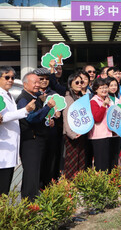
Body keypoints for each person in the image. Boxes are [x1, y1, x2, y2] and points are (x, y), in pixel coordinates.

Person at [16, 72, 55, 200]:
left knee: (37, 171)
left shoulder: (35, 96)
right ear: (25, 84)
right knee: (31, 172)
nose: (38, 85)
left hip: (38, 139)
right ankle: (29, 201)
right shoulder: (23, 99)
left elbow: (39, 116)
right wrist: (47, 107)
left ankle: (34, 199)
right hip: (30, 141)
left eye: (39, 82)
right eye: (35, 82)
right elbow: (31, 118)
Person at [0, 67, 35, 195]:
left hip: (10, 146)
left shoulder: (8, 94)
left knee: (5, 186)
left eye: (12, 78)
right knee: (2, 186)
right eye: (7, 77)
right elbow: (3, 117)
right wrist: (25, 110)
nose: (10, 80)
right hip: (3, 147)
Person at [34, 68, 62, 185]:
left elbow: (59, 111)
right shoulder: (32, 94)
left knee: (51, 161)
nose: (44, 81)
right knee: (38, 163)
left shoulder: (54, 94)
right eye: (41, 79)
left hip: (52, 134)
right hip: (37, 135)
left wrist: (57, 115)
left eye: (46, 79)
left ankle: (49, 186)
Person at [61, 72, 89, 178]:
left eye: (81, 82)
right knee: (71, 161)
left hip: (82, 133)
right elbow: (66, 118)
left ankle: (79, 183)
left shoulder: (82, 96)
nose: (79, 84)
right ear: (70, 83)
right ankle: (70, 185)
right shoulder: (68, 98)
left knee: (81, 160)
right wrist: (72, 134)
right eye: (76, 82)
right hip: (72, 134)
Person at [89, 78, 114, 172]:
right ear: (95, 89)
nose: (104, 90)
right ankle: (101, 184)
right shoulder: (94, 101)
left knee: (108, 162)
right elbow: (97, 118)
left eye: (105, 87)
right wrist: (103, 105)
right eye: (101, 88)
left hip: (108, 133)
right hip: (98, 136)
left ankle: (108, 184)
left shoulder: (108, 100)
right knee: (101, 163)